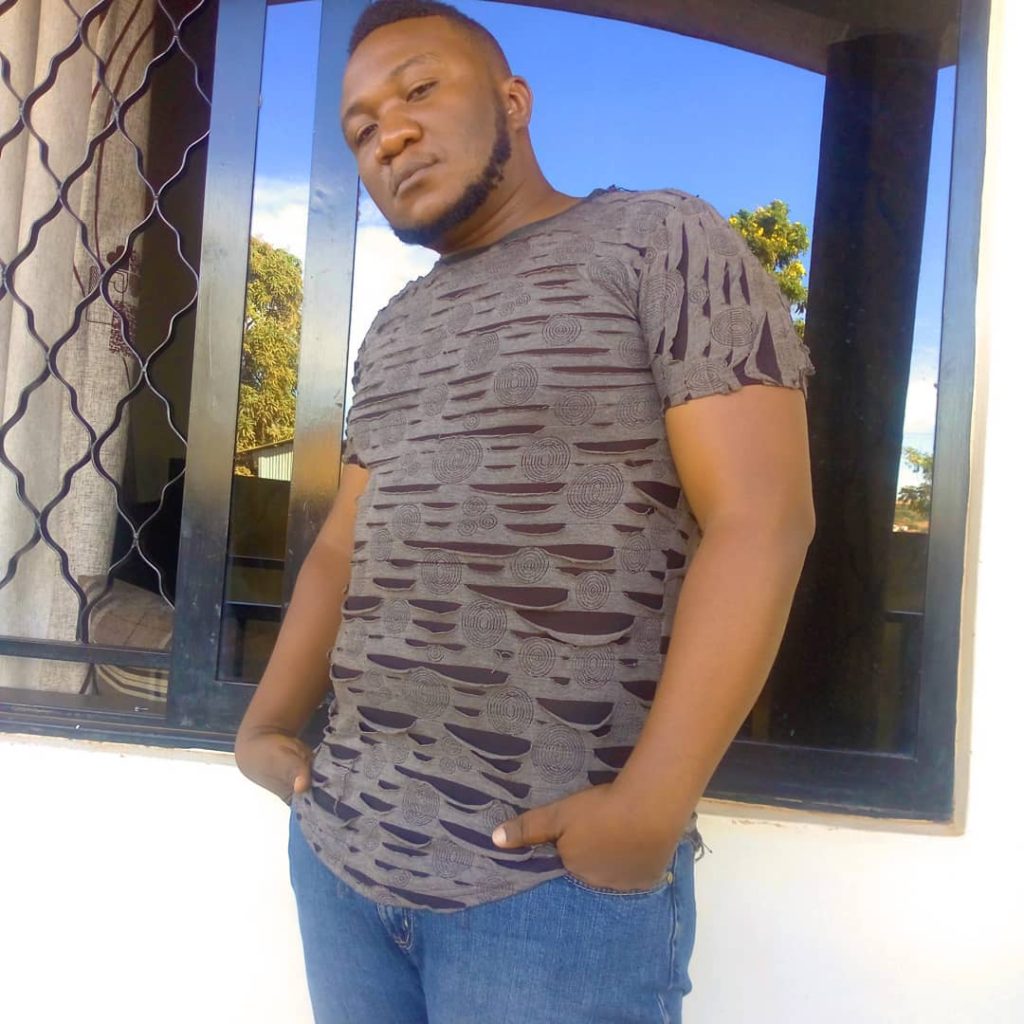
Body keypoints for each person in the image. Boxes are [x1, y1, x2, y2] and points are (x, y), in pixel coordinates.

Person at [234, 1, 816, 1020]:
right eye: (360, 130)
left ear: (513, 100)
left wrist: (648, 810)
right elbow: (341, 548)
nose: (389, 136)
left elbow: (762, 518)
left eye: (419, 91)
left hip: (545, 894)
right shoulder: (396, 325)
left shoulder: (659, 240)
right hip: (343, 854)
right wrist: (264, 724)